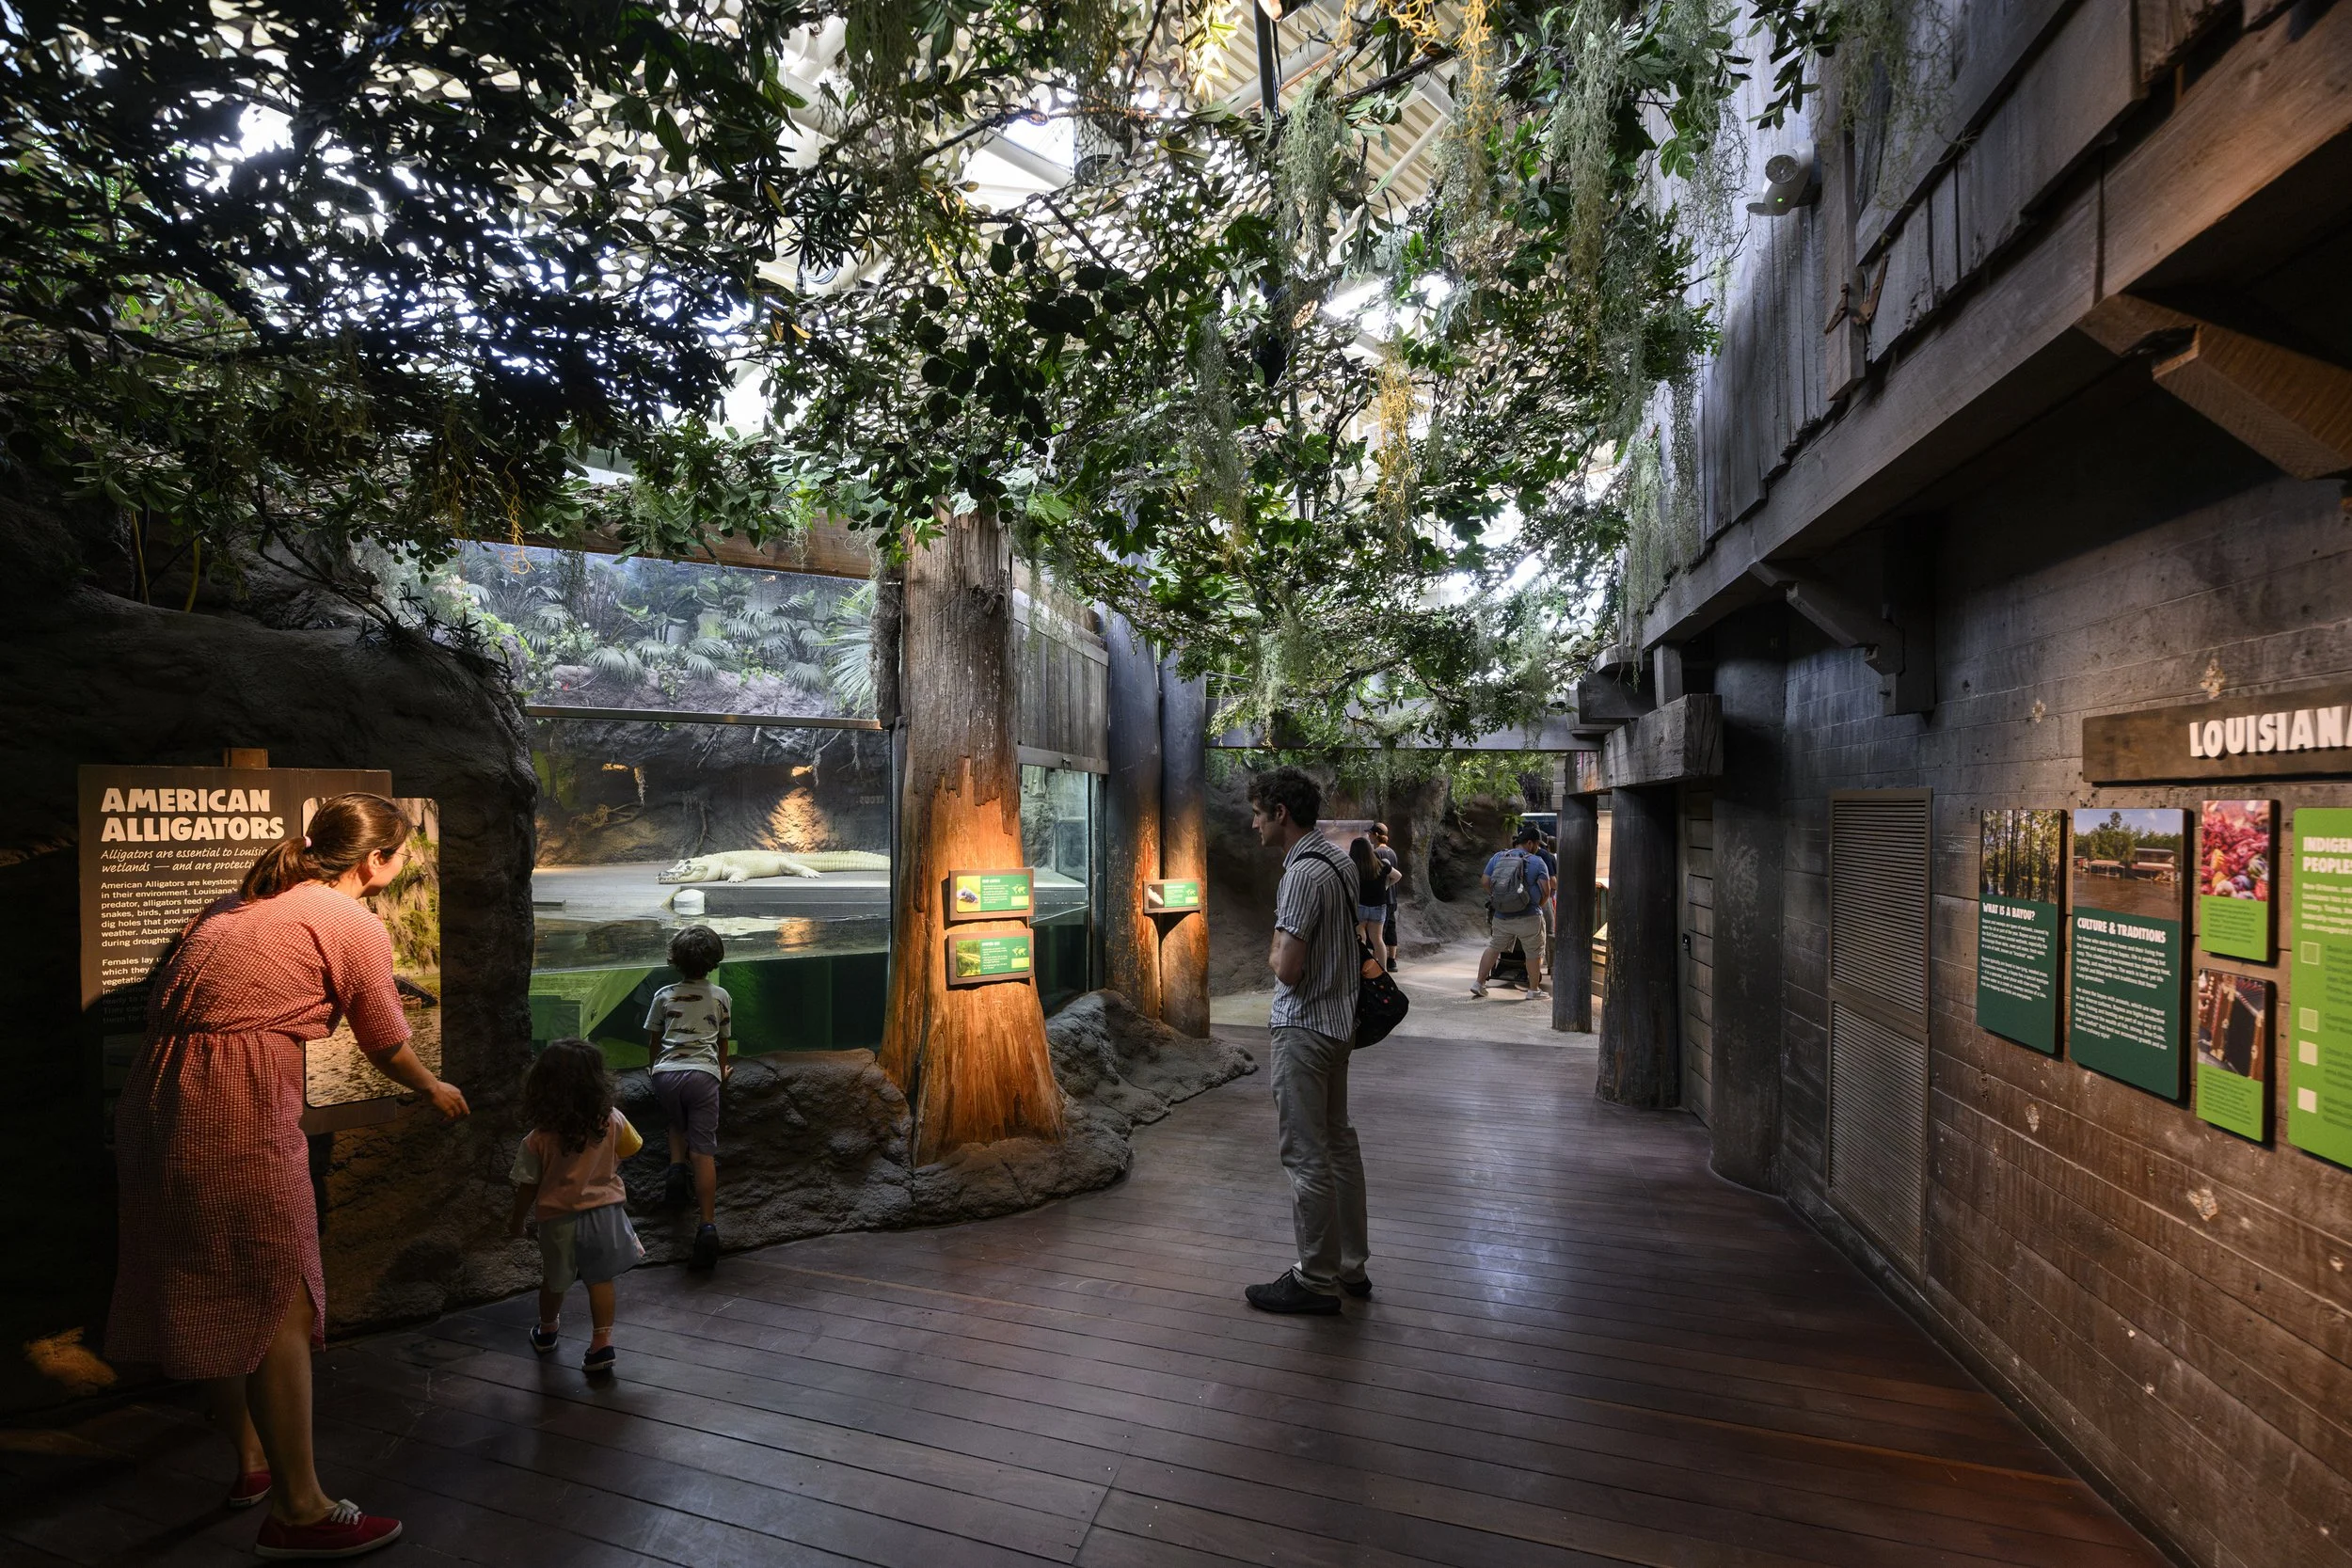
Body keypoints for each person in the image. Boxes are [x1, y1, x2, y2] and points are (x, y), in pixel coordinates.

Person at [107, 793, 469, 1560]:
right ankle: (300, 1511)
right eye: (400, 853)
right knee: (282, 1294)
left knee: (212, 1278)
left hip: (158, 1098)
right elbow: (383, 1040)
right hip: (231, 1107)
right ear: (377, 859)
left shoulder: (237, 902)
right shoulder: (349, 920)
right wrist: (432, 1085)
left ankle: (252, 1460)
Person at [1245, 767, 1372, 1314]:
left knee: (1305, 1154)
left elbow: (1286, 967)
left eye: (1258, 813)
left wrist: (1275, 945)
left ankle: (1316, 1279)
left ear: (1281, 813)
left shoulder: (1300, 875)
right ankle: (1351, 1266)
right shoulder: (1340, 861)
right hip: (1339, 1024)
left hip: (1304, 1027)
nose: (1254, 824)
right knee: (1339, 1144)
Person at [508, 1037, 645, 1375]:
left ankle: (547, 1331)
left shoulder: (539, 1137)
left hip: (559, 1217)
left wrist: (517, 1219)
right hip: (604, 1212)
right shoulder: (612, 1119)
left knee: (555, 1279)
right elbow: (631, 1148)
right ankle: (601, 1345)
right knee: (600, 1280)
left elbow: (528, 1184)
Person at [645, 925, 732, 1271]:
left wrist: (653, 1068)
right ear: (714, 960)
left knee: (675, 1121)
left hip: (666, 1074)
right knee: (704, 1150)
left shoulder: (663, 995)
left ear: (674, 960)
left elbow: (654, 1040)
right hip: (703, 1075)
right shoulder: (721, 996)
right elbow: (722, 1042)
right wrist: (721, 1072)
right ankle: (707, 1225)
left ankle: (675, 1169)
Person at [1472, 824, 1554, 1001]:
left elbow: (1485, 881)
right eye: (1537, 844)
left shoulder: (1498, 857)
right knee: (1533, 952)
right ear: (1530, 843)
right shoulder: (1537, 862)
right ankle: (1533, 990)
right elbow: (1546, 891)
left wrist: (1499, 899)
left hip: (1502, 915)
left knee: (1494, 947)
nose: (1537, 848)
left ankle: (1478, 983)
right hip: (1529, 916)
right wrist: (1537, 906)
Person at [1368, 822, 1403, 969]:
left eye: (1370, 834)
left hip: (1381, 899)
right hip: (1392, 897)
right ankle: (1392, 960)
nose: (1368, 836)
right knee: (1391, 929)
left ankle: (1376, 962)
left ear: (1375, 835)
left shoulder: (1376, 853)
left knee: (1378, 932)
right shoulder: (1392, 852)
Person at [1347, 835, 1390, 954]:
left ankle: (1364, 964)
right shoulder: (1380, 864)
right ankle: (1382, 965)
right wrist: (1385, 886)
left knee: (1361, 939)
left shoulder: (1352, 867)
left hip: (1360, 905)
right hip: (1378, 906)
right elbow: (1397, 876)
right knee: (1378, 940)